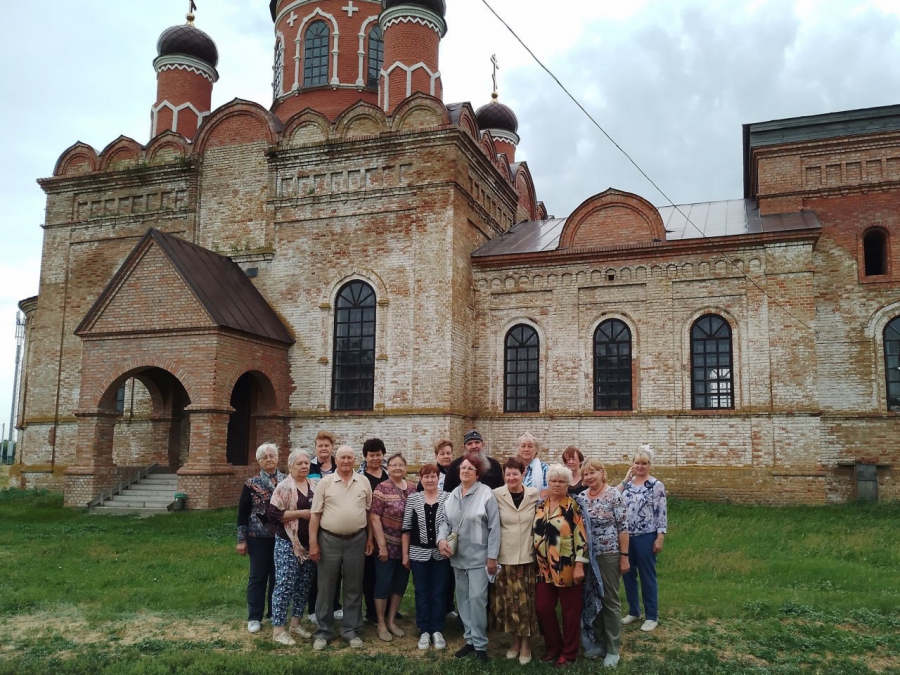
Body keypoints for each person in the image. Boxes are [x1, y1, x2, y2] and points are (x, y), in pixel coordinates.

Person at [308, 445, 374, 650]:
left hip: (357, 539)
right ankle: (323, 632)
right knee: (326, 587)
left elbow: (370, 513)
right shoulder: (325, 483)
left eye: (349, 458)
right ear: (336, 459)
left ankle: (350, 630)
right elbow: (315, 514)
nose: (346, 461)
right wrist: (313, 542)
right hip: (329, 540)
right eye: (342, 457)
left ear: (355, 460)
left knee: (354, 586)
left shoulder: (363, 482)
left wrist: (370, 539)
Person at [438, 453, 500, 663]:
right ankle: (470, 640)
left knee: (477, 600)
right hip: (457, 557)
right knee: (463, 601)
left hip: (479, 559)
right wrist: (441, 540)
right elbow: (445, 522)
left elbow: (494, 528)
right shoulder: (452, 495)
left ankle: (481, 644)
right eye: (462, 468)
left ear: (477, 473)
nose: (465, 471)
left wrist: (492, 557)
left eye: (469, 469)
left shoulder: (486, 494)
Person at [533, 464, 591, 667]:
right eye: (553, 481)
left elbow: (582, 538)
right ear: (548, 483)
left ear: (568, 484)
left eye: (561, 481)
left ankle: (569, 652)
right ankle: (553, 647)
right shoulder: (540, 506)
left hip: (567, 565)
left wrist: (579, 565)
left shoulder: (573, 507)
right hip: (543, 568)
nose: (557, 484)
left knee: (570, 612)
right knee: (543, 608)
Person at [577, 459, 629, 667]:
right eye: (585, 474)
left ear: (601, 473)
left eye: (593, 473)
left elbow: (623, 528)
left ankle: (612, 647)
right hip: (587, 556)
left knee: (609, 599)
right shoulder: (581, 497)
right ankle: (597, 642)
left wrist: (624, 556)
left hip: (608, 555)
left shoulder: (613, 495)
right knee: (591, 599)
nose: (589, 477)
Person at [490, 456, 540, 665]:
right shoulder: (495, 495)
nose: (511, 477)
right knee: (510, 603)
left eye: (515, 473)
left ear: (523, 474)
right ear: (504, 475)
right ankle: (514, 641)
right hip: (505, 558)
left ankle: (527, 643)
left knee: (526, 603)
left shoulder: (534, 494)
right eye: (508, 473)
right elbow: (491, 526)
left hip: (528, 557)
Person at [266, 449, 316, 645]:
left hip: (307, 545)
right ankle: (278, 629)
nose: (304, 466)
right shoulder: (284, 487)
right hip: (288, 543)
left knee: (303, 585)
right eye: (299, 463)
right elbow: (273, 515)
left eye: (306, 463)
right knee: (285, 584)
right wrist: (302, 513)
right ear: (290, 466)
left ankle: (296, 623)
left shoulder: (313, 485)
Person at [617, 445, 667, 633]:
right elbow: (613, 497)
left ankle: (651, 615)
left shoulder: (656, 485)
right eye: (636, 463)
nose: (640, 466)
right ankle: (634, 611)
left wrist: (660, 536)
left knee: (647, 575)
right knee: (628, 573)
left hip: (646, 536)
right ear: (632, 465)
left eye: (643, 463)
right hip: (626, 537)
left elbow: (661, 512)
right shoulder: (627, 485)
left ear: (649, 465)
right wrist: (625, 479)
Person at [236, 442, 285, 634]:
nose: (269, 459)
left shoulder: (286, 480)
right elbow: (242, 513)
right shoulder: (251, 484)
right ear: (259, 461)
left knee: (277, 575)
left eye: (272, 455)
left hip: (281, 536)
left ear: (278, 458)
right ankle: (254, 616)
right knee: (258, 576)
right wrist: (241, 539)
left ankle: (274, 613)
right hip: (258, 537)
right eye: (264, 457)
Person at [402, 464, 450, 651]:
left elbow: (451, 524)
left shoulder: (447, 498)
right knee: (422, 591)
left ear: (438, 478)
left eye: (433, 476)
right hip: (418, 553)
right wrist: (405, 555)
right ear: (421, 479)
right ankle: (424, 629)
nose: (430, 480)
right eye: (426, 476)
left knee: (439, 592)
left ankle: (437, 629)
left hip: (441, 555)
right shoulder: (413, 499)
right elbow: (406, 529)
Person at [370, 452, 415, 642]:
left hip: (406, 547)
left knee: (399, 584)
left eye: (400, 465)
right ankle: (380, 622)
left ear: (405, 468)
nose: (397, 468)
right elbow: (374, 517)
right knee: (384, 583)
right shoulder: (382, 488)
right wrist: (381, 545)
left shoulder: (413, 488)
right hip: (386, 545)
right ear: (388, 468)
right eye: (393, 465)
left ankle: (391, 620)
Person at [306, 431, 342, 621]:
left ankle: (336, 605)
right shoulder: (308, 465)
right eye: (320, 445)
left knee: (336, 566)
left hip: (334, 520)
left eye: (326, 445)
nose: (323, 448)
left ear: (331, 448)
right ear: (316, 447)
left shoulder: (339, 466)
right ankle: (313, 608)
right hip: (314, 519)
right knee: (316, 567)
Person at [359, 438, 389, 624]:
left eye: (378, 454)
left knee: (386, 572)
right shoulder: (360, 478)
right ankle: (371, 610)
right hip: (366, 531)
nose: (376, 458)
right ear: (366, 456)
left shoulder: (388, 475)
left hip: (388, 532)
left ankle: (386, 608)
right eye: (372, 455)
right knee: (369, 572)